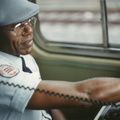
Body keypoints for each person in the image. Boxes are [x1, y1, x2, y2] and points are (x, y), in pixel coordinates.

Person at [0, 0, 120, 120]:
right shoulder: (4, 76)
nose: (29, 30)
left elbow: (45, 101)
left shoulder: (24, 57)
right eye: (18, 26)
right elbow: (86, 94)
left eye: (29, 21)